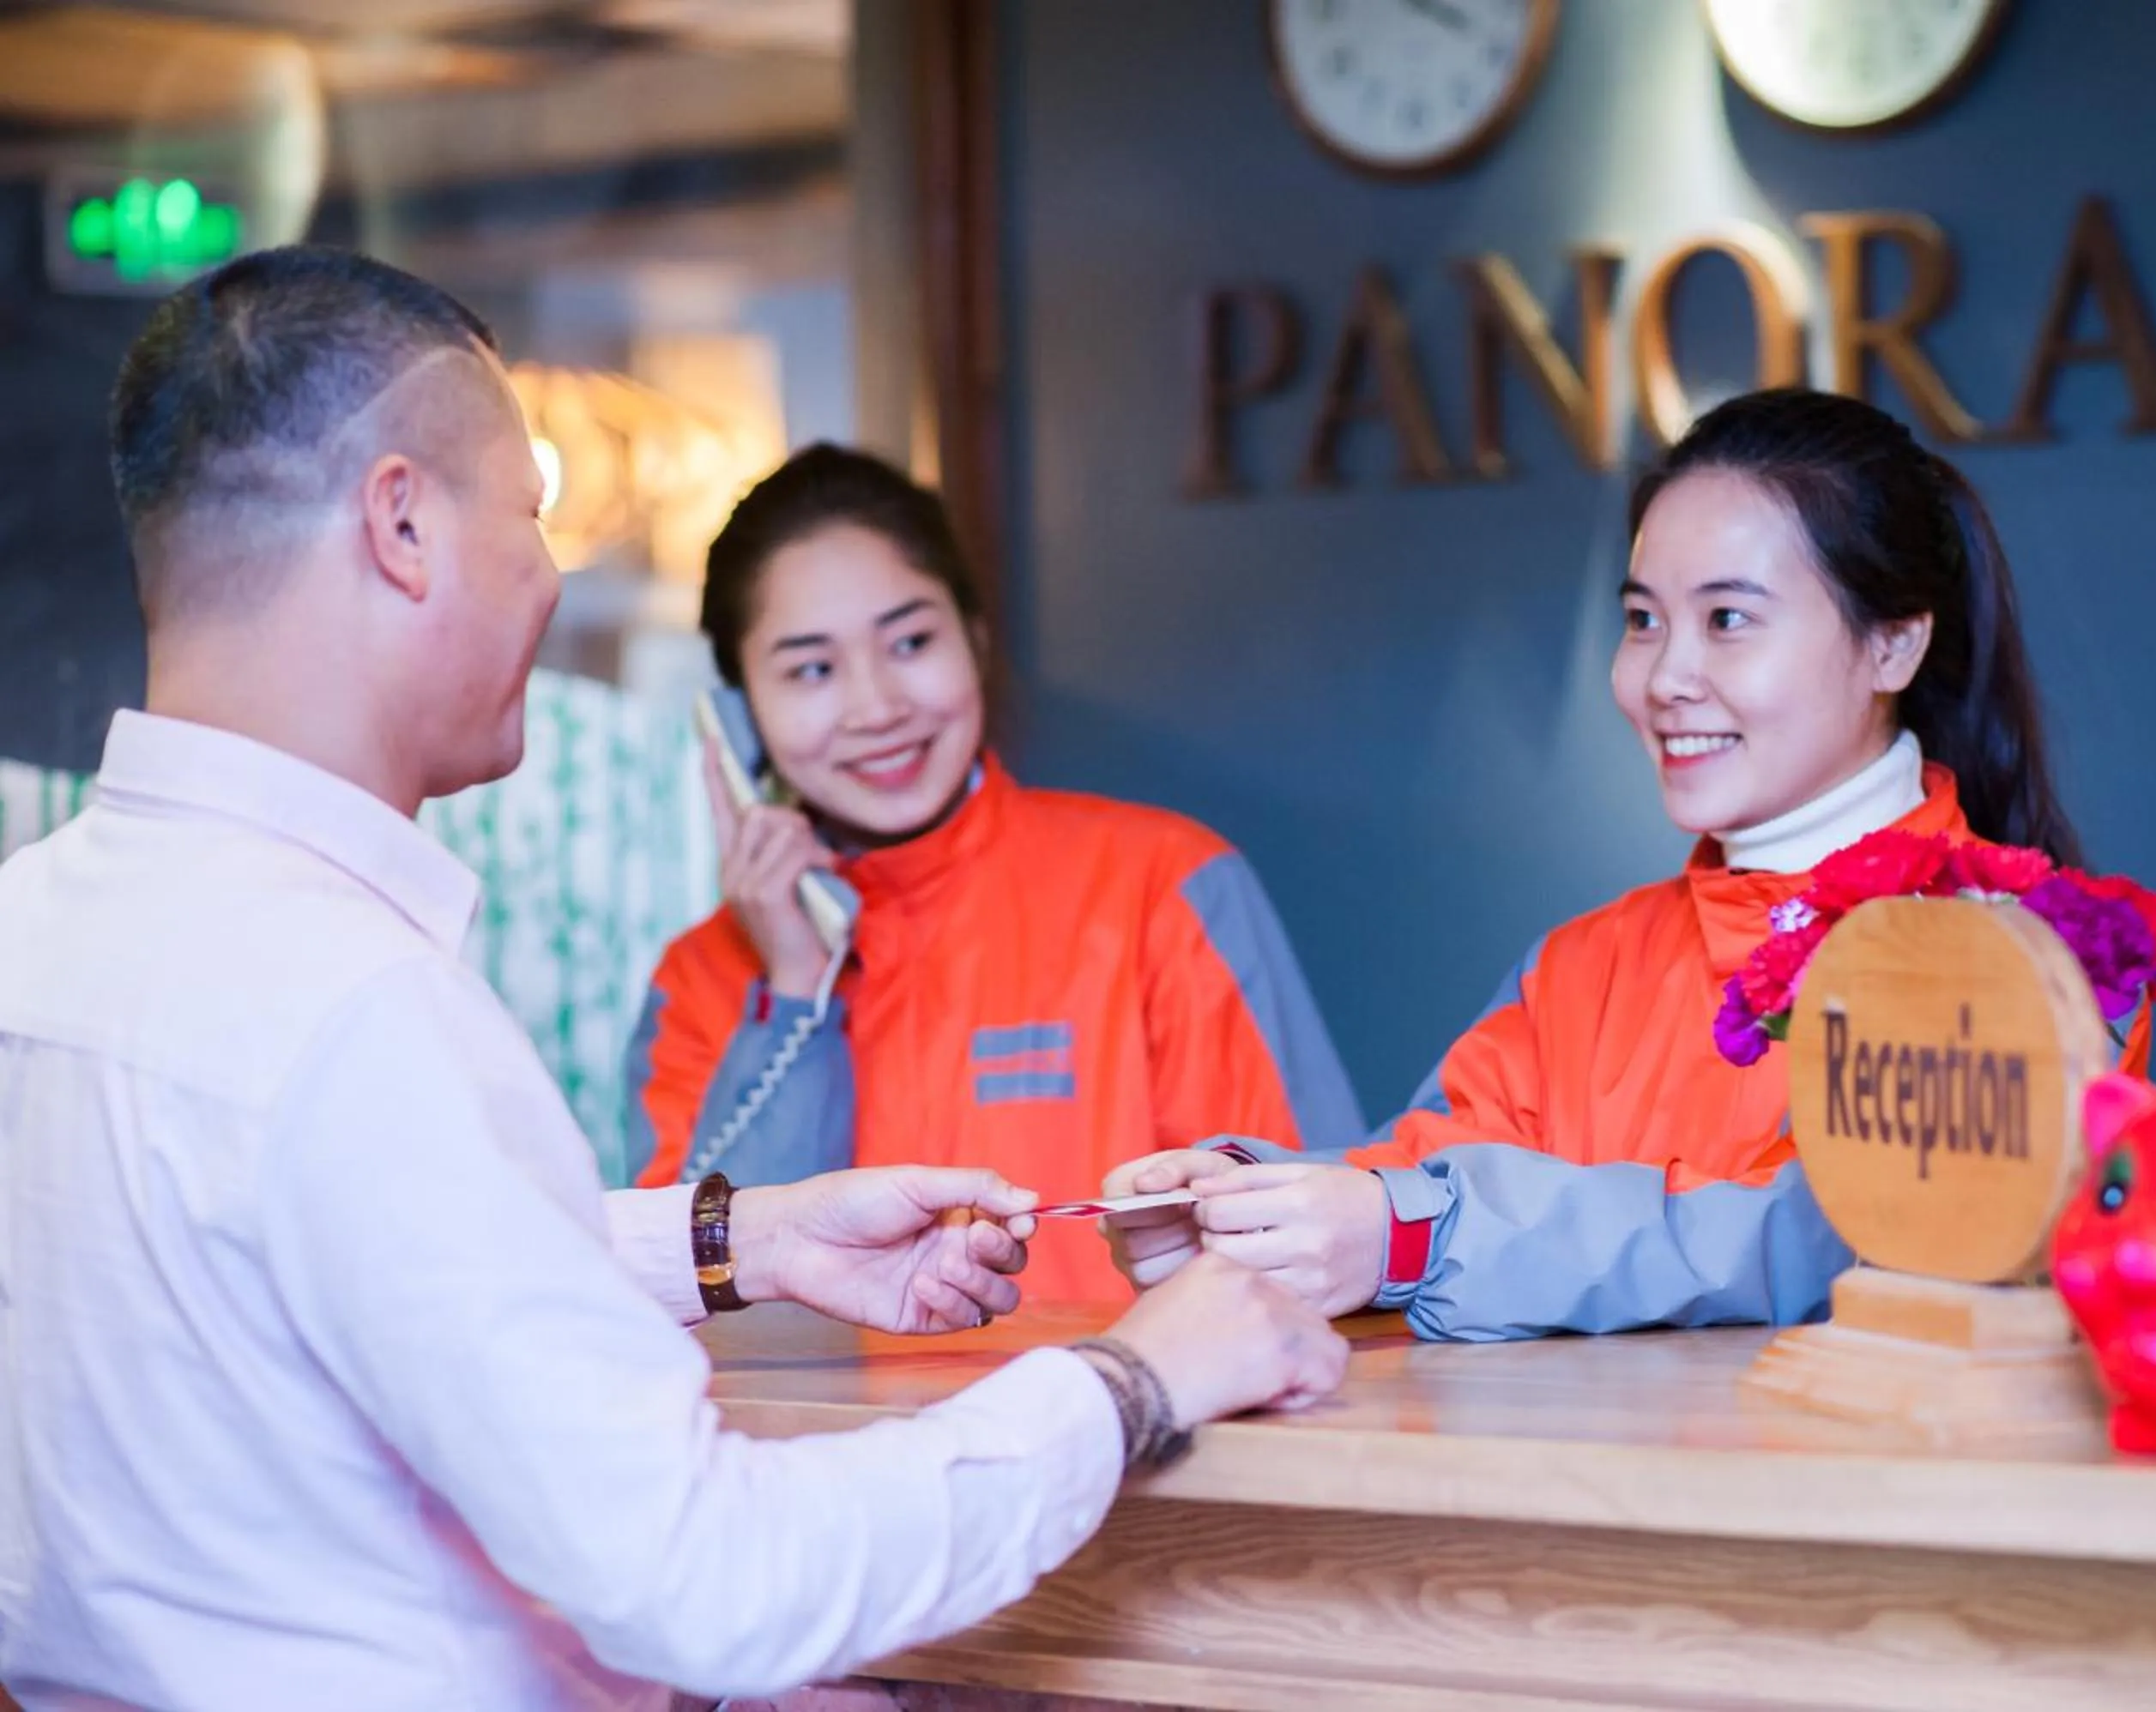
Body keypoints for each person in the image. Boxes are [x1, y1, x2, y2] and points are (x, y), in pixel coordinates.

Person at [0, 246, 1347, 1711]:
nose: (550, 570)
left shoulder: (36, 937)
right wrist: (1130, 1383)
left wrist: (733, 1242)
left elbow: (313, 1253)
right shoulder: (355, 1010)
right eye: (534, 511)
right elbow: (705, 1587)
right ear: (401, 523)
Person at [1100, 388, 2155, 1341]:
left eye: (1728, 619)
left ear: (1894, 647)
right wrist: (1245, 1208)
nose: (1666, 676)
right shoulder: (1586, 961)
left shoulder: (2029, 948)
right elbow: (1433, 1162)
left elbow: (1830, 1237)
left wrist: (1410, 1237)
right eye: (1644, 619)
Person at [622, 444, 1362, 1304]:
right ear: (740, 716)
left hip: (1140, 1428)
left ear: (974, 638)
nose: (877, 707)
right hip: (816, 1442)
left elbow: (1310, 1247)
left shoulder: (1166, 885)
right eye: (813, 669)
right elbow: (695, 1308)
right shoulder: (701, 985)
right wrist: (793, 991)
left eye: (910, 641)